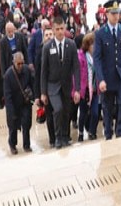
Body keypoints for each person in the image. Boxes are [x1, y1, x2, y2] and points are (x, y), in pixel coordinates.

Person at [93, 0, 121, 139]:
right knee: (107, 109)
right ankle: (108, 134)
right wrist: (101, 79)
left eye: (118, 13)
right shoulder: (100, 33)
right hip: (107, 78)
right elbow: (97, 58)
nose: (116, 16)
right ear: (107, 14)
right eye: (113, 13)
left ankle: (120, 131)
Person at [40, 16, 80, 149]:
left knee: (66, 112)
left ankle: (65, 136)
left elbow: (76, 68)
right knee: (58, 109)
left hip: (66, 85)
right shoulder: (47, 47)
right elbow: (44, 71)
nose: (60, 32)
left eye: (62, 28)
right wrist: (43, 92)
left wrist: (77, 89)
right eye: (57, 29)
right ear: (53, 29)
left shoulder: (71, 45)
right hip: (52, 86)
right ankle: (57, 137)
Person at [3, 52, 34, 154]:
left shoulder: (27, 70)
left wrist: (32, 95)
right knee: (13, 126)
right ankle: (12, 145)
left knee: (26, 124)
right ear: (14, 63)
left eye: (22, 63)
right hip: (13, 104)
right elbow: (7, 96)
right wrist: (11, 112)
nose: (20, 66)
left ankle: (27, 145)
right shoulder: (8, 75)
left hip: (25, 102)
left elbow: (32, 84)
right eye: (18, 64)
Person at [33, 27, 56, 147]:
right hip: (45, 89)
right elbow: (37, 75)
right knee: (49, 115)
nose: (49, 36)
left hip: (57, 87)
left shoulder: (58, 48)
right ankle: (52, 139)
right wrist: (37, 94)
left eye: (50, 34)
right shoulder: (40, 52)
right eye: (46, 35)